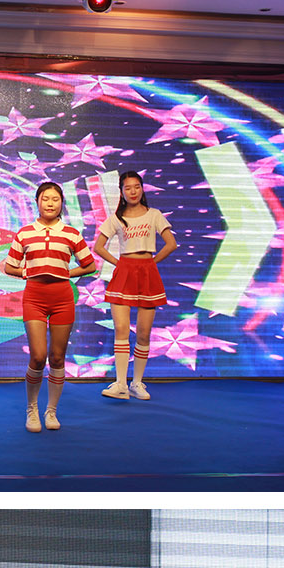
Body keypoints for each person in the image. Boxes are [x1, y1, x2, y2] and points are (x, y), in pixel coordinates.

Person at [2, 183, 97, 432]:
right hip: (34, 297)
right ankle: (32, 408)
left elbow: (90, 265)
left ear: (62, 203)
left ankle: (51, 411)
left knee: (57, 357)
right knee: (37, 356)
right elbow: (10, 266)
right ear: (37, 202)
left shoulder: (72, 234)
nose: (50, 203)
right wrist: (29, 272)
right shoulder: (24, 233)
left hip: (62, 298)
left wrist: (66, 273)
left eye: (55, 199)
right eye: (45, 199)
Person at [91, 172, 176, 402]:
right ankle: (120, 383)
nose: (133, 191)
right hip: (124, 274)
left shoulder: (154, 215)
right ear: (121, 192)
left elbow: (171, 244)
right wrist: (120, 263)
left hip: (147, 274)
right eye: (128, 188)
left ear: (142, 188)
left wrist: (151, 263)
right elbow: (98, 247)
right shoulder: (116, 218)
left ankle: (137, 383)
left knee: (144, 332)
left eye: (137, 186)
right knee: (121, 328)